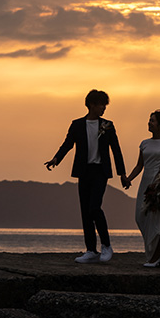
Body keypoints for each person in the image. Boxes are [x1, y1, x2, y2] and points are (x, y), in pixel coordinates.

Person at [45, 89, 128, 263]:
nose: (104, 108)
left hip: (100, 172)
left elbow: (116, 151)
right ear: (92, 105)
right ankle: (91, 250)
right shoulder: (77, 125)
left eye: (105, 105)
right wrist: (56, 159)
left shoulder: (108, 125)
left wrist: (122, 173)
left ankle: (106, 246)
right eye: (101, 105)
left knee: (94, 208)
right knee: (85, 212)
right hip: (84, 172)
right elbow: (67, 144)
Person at [124, 109, 160, 267]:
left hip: (158, 184)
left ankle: (155, 257)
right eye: (149, 120)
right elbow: (139, 166)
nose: (149, 122)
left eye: (152, 120)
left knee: (156, 221)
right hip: (145, 183)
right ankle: (153, 254)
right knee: (140, 217)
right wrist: (129, 179)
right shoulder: (144, 143)